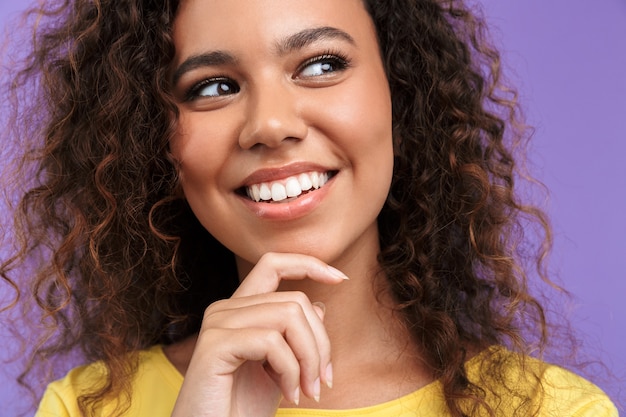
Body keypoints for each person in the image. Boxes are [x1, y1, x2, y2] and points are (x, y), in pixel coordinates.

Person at [0, 0, 618, 416]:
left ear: (399, 95)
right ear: (153, 139)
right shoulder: (86, 409)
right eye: (213, 87)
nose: (270, 125)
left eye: (321, 64)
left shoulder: (548, 409)